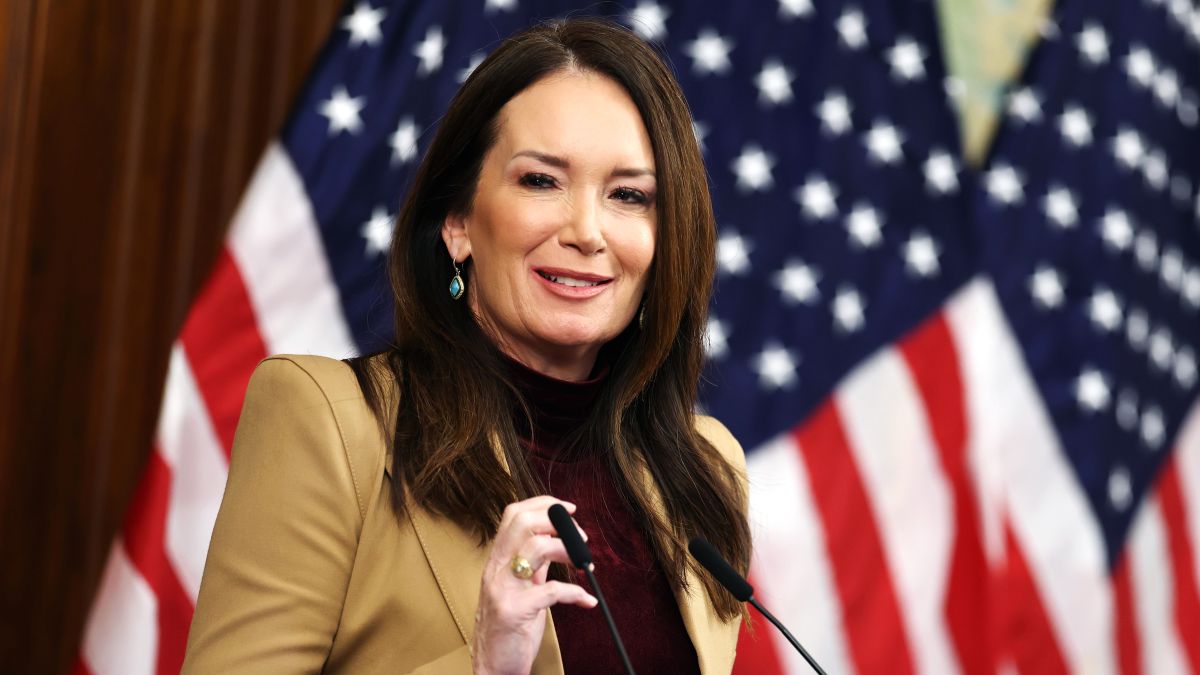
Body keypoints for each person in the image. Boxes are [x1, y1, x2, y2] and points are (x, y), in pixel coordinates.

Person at [182, 17, 751, 675]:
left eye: (629, 195)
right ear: (457, 223)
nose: (588, 231)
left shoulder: (707, 468)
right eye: (541, 180)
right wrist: (483, 663)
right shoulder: (332, 421)